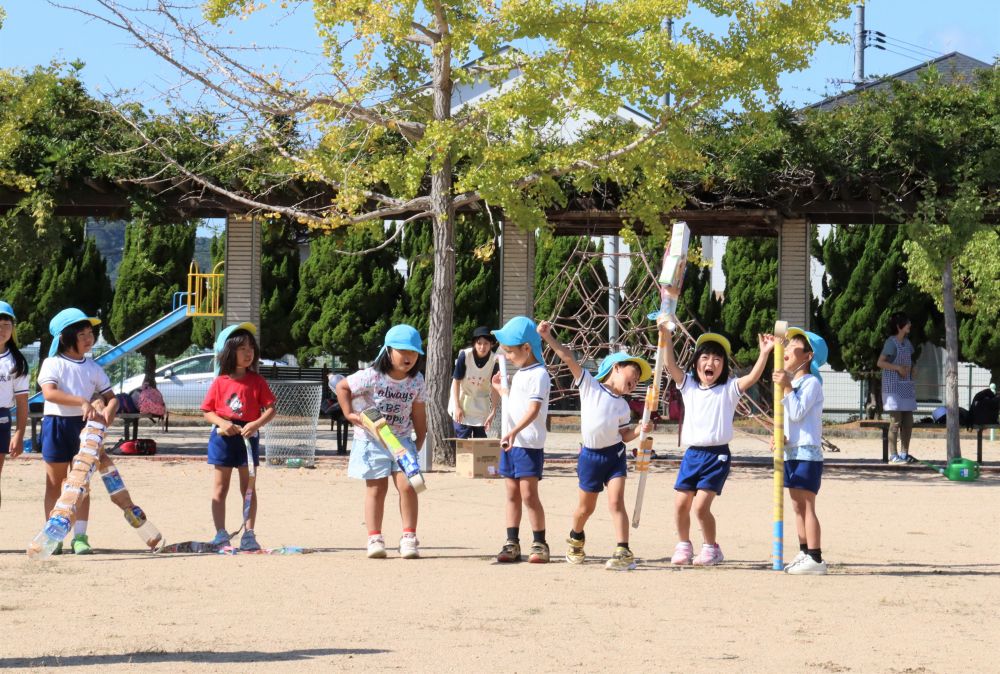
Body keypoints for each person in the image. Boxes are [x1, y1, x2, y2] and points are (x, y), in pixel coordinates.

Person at [538, 320, 652, 571]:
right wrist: (548, 337)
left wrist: (640, 430)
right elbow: (568, 357)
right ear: (616, 367)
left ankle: (623, 549)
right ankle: (576, 538)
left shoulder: (623, 406)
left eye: (635, 385)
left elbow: (624, 435)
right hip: (590, 457)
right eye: (631, 378)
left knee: (616, 502)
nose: (632, 386)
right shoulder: (589, 385)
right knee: (585, 508)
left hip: (614, 457)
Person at [661, 318, 775, 566]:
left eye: (717, 359)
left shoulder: (730, 388)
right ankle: (683, 545)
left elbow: (753, 377)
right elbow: (670, 364)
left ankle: (711, 548)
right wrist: (666, 335)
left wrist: (764, 353)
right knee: (681, 504)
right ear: (696, 363)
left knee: (700, 507)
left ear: (723, 366)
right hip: (692, 455)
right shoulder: (689, 385)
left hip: (717, 456)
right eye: (705, 358)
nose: (710, 363)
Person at [336, 324, 426, 559]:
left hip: (402, 440)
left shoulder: (417, 381)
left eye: (414, 353)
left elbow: (418, 411)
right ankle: (374, 538)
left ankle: (409, 537)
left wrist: (421, 436)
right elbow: (342, 386)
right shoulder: (372, 376)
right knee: (377, 488)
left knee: (408, 485)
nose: (409, 357)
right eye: (403, 351)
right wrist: (348, 413)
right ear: (388, 351)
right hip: (372, 440)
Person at [37, 308, 119, 555]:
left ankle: (80, 537)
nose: (88, 338)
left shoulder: (92, 367)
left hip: (85, 429)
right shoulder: (52, 363)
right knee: (55, 483)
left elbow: (111, 397)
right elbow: (49, 393)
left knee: (81, 484)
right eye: (81, 334)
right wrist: (81, 402)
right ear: (64, 337)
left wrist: (109, 412)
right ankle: (54, 536)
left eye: (90, 333)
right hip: (57, 424)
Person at [200, 323, 276, 551]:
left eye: (251, 348)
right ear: (229, 351)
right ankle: (220, 534)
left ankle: (249, 534)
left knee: (249, 489)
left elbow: (271, 408)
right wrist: (223, 423)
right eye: (242, 348)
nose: (248, 352)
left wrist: (255, 424)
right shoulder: (220, 382)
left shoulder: (257, 381)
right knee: (220, 489)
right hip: (222, 438)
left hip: (248, 438)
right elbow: (207, 411)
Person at [490, 316, 551, 564]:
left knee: (529, 494)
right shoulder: (521, 374)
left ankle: (540, 542)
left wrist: (514, 432)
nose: (508, 356)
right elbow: (515, 403)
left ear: (527, 348)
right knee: (512, 493)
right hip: (511, 443)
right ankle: (511, 542)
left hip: (528, 444)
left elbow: (533, 409)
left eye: (510, 351)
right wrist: (501, 390)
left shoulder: (539, 374)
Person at [773, 328, 829, 575]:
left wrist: (786, 387)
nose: (786, 349)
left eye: (793, 345)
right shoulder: (792, 382)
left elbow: (797, 412)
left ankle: (816, 558)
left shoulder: (811, 383)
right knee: (796, 505)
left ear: (808, 356)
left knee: (807, 505)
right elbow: (789, 420)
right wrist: (780, 437)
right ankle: (804, 551)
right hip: (791, 451)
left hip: (807, 452)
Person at [0, 301, 29, 514]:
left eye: (6, 324)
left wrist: (19, 433)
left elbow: (21, 402)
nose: (2, 330)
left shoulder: (17, 363)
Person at [877, 312, 917, 464]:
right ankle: (893, 455)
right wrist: (897, 368)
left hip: (906, 386)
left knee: (908, 421)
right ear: (900, 326)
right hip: (893, 388)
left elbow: (910, 360)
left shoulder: (907, 343)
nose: (910, 326)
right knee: (896, 421)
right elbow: (880, 363)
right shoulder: (890, 343)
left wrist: (912, 369)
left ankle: (905, 453)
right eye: (907, 323)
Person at [448, 326, 500, 439]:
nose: (482, 347)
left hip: (481, 405)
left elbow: (495, 387)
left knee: (480, 441)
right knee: (462, 439)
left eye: (486, 343)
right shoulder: (465, 356)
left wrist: (493, 411)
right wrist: (457, 407)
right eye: (479, 343)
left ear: (491, 344)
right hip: (462, 402)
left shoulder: (494, 360)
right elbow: (456, 382)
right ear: (474, 344)